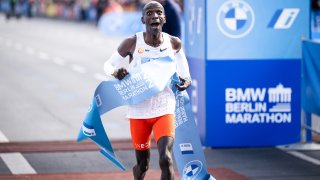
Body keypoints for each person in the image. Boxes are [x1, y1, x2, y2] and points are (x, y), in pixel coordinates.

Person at [103, 1, 191, 179]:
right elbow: (108, 65)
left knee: (166, 159)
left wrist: (186, 82)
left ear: (164, 18)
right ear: (143, 19)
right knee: (143, 165)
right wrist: (116, 72)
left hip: (164, 108)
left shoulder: (174, 43)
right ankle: (138, 174)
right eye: (149, 13)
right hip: (139, 111)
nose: (155, 16)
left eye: (158, 13)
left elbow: (185, 73)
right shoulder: (132, 43)